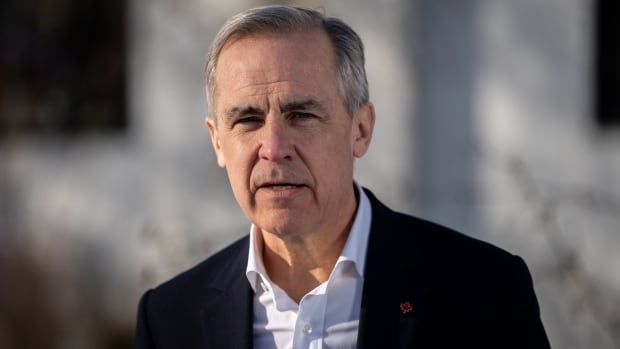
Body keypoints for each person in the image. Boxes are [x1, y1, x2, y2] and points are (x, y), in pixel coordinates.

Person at [133, 5, 550, 349]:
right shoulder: (170, 320)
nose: (274, 147)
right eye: (247, 119)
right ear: (218, 142)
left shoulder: (483, 293)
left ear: (361, 130)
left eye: (301, 115)